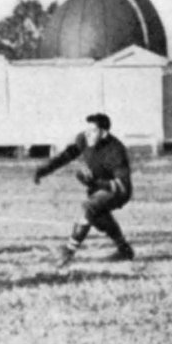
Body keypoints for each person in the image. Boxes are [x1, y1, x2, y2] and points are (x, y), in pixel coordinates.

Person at [33, 113, 134, 267]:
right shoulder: (83, 139)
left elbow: (122, 184)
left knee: (89, 207)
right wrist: (44, 169)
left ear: (104, 133)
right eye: (87, 129)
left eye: (93, 130)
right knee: (99, 216)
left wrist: (96, 181)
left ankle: (68, 251)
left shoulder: (115, 150)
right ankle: (124, 249)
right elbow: (65, 156)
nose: (88, 133)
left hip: (118, 191)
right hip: (98, 187)